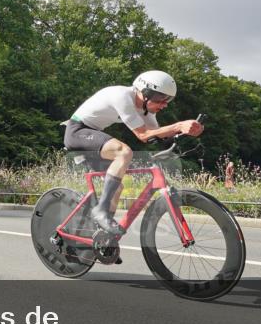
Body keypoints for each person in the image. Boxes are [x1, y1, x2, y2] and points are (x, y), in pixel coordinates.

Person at [63, 71, 203, 235]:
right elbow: (143, 134)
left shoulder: (146, 110)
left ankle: (102, 234)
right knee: (123, 151)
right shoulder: (122, 96)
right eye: (161, 98)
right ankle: (101, 211)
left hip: (93, 136)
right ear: (145, 93)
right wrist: (178, 126)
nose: (165, 104)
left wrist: (187, 132)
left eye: (168, 100)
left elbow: (156, 133)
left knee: (117, 186)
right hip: (77, 131)